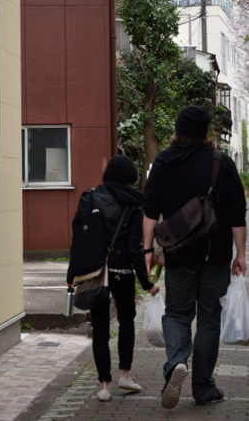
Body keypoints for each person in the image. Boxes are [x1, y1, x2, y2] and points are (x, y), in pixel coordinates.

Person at [143, 105, 247, 409]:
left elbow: (150, 211)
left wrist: (148, 251)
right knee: (209, 320)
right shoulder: (222, 163)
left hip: (177, 254)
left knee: (176, 313)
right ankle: (203, 389)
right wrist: (241, 254)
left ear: (178, 129)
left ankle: (176, 361)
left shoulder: (163, 161)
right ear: (206, 133)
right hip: (214, 255)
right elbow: (237, 214)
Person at [67, 155, 159, 402]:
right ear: (130, 176)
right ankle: (124, 375)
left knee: (100, 328)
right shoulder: (133, 203)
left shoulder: (90, 197)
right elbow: (134, 248)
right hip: (123, 272)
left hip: (96, 272)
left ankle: (105, 386)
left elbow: (79, 241)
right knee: (127, 322)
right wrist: (147, 283)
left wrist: (72, 274)